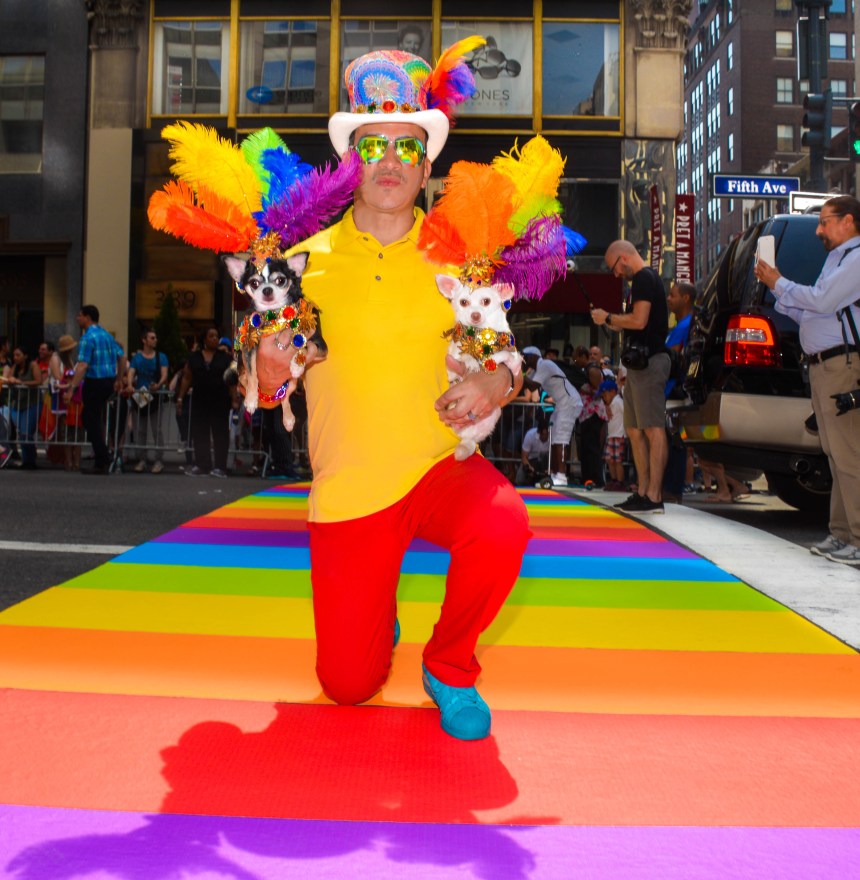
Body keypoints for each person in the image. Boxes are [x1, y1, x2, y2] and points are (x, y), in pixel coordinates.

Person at [260, 44, 530, 741]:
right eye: (372, 145)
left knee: (504, 525)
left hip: (440, 468)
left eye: (406, 149)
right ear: (351, 161)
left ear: (426, 164)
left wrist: (493, 381)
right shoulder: (300, 264)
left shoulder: (458, 256)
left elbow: (502, 352)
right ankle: (376, 625)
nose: (388, 162)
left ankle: (449, 666)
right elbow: (264, 388)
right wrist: (264, 367)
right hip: (350, 490)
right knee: (348, 688)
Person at [754, 195, 860, 565]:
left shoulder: (857, 258)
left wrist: (779, 281)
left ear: (848, 221)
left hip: (841, 366)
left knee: (847, 455)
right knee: (834, 454)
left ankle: (856, 539)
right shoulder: (839, 258)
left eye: (825, 222)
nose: (819, 230)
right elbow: (814, 310)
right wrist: (777, 290)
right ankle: (841, 534)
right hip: (825, 366)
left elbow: (822, 300)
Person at [591, 240, 670, 513]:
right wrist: (609, 320)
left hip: (650, 362)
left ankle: (654, 495)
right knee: (635, 431)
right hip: (638, 365)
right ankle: (644, 491)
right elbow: (633, 324)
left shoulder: (644, 278)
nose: (615, 274)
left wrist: (608, 317)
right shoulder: (640, 281)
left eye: (614, 268)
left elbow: (639, 321)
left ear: (623, 258)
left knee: (652, 428)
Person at [64, 305, 126, 475]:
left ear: (88, 317)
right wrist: (119, 379)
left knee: (90, 419)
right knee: (92, 418)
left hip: (94, 382)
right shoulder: (106, 335)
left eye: (80, 315)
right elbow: (122, 356)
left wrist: (71, 389)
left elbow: (83, 365)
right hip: (108, 381)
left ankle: (102, 457)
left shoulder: (87, 337)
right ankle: (103, 453)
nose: (77, 318)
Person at [176, 327, 236, 478]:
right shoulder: (194, 357)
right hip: (199, 400)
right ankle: (202, 465)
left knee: (220, 434)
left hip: (220, 401)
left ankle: (220, 467)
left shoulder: (225, 358)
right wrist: (180, 398)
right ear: (204, 339)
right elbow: (187, 378)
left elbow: (231, 381)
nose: (215, 339)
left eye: (217, 336)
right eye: (211, 336)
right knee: (200, 433)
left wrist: (235, 399)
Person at [521, 346, 583, 486]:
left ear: (533, 356)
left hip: (569, 402)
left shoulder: (545, 364)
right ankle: (555, 474)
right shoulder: (537, 370)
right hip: (562, 404)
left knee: (561, 438)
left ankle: (561, 476)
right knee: (554, 438)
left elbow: (532, 386)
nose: (523, 359)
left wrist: (521, 373)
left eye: (524, 356)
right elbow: (524, 383)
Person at [126, 328, 169, 474]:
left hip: (155, 394)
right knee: (140, 430)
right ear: (144, 340)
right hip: (140, 394)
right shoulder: (137, 358)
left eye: (155, 337)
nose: (155, 340)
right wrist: (130, 385)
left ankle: (158, 460)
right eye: (152, 338)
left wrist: (159, 384)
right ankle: (142, 459)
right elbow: (131, 372)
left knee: (156, 429)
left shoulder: (160, 357)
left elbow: (164, 374)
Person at [1, 345, 42, 469]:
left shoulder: (33, 365)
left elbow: (38, 381)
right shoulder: (15, 367)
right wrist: (11, 380)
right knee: (21, 433)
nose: (15, 358)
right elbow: (9, 379)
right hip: (17, 404)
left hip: (31, 403)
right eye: (14, 355)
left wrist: (22, 383)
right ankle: (27, 460)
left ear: (25, 356)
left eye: (18, 355)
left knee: (26, 432)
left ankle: (30, 460)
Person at [48, 334, 82, 471]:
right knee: (65, 431)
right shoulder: (56, 359)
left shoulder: (69, 359)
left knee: (75, 433)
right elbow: (58, 378)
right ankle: (68, 460)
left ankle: (75, 461)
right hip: (61, 399)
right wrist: (69, 384)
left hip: (73, 399)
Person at [576, 361, 607, 487]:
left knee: (592, 448)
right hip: (585, 415)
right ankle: (587, 477)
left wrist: (589, 391)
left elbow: (597, 388)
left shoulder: (593, 370)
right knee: (585, 449)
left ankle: (596, 478)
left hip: (593, 414)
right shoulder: (581, 373)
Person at [599, 378, 626, 491]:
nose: (603, 398)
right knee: (610, 460)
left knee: (617, 460)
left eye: (604, 394)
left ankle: (620, 482)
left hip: (619, 435)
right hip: (611, 435)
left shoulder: (618, 401)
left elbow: (626, 412)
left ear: (612, 392)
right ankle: (614, 480)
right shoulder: (609, 404)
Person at [516, 416, 550, 485]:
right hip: (530, 460)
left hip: (545, 461)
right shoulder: (530, 435)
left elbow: (554, 456)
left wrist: (552, 468)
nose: (545, 437)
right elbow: (524, 457)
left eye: (547, 434)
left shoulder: (553, 436)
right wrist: (529, 468)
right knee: (520, 480)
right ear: (538, 432)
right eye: (543, 434)